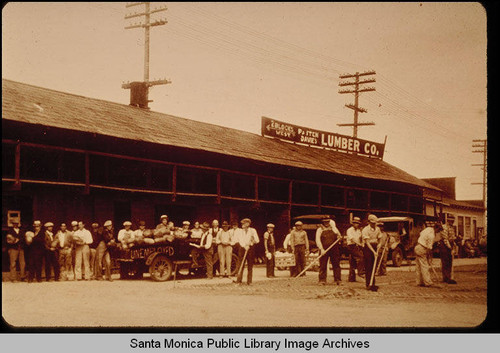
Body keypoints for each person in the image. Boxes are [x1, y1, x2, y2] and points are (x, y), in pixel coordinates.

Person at [315, 216, 341, 285]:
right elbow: (317, 240)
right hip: (324, 250)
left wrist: (339, 237)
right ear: (323, 222)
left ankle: (338, 279)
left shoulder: (334, 228)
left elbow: (339, 236)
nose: (326, 223)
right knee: (323, 265)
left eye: (328, 221)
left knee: (336, 264)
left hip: (334, 249)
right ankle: (322, 280)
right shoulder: (320, 230)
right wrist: (321, 249)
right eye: (325, 222)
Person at [234, 218, 259, 285]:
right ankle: (239, 281)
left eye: (243, 223)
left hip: (250, 249)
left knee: (250, 266)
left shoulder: (253, 231)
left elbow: (257, 240)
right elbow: (239, 240)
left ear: (248, 224)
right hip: (242, 249)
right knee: (241, 265)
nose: (242, 225)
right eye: (242, 223)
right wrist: (245, 246)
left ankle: (249, 281)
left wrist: (251, 242)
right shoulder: (240, 231)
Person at [415, 223, 441, 287]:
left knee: (418, 266)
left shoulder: (428, 229)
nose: (439, 232)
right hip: (422, 248)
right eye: (439, 230)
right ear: (436, 228)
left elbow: (421, 234)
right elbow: (429, 249)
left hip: (417, 246)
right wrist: (429, 258)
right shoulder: (431, 236)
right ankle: (427, 282)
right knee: (425, 266)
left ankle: (419, 282)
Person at [362, 214, 382, 290]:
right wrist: (374, 252)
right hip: (368, 248)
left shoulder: (377, 229)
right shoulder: (365, 230)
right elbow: (367, 242)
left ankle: (373, 283)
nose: (374, 224)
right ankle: (368, 284)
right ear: (369, 222)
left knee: (374, 265)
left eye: (375, 223)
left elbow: (379, 239)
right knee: (368, 266)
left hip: (375, 246)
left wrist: (379, 245)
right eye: (372, 223)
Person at [346, 217, 365, 282]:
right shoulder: (349, 230)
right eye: (355, 223)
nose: (357, 224)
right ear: (353, 223)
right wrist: (360, 244)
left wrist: (362, 243)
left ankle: (351, 278)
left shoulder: (359, 231)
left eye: (358, 223)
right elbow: (352, 239)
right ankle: (361, 272)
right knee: (361, 257)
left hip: (357, 246)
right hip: (351, 246)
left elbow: (361, 238)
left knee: (352, 262)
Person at [439, 215, 457, 284]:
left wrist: (454, 246)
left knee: (450, 262)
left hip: (450, 245)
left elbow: (452, 237)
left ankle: (448, 277)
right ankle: (446, 278)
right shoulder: (444, 227)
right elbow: (445, 239)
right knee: (445, 262)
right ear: (448, 220)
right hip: (444, 246)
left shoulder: (452, 227)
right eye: (451, 221)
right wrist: (450, 248)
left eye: (453, 221)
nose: (452, 222)